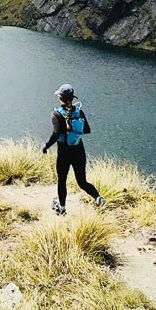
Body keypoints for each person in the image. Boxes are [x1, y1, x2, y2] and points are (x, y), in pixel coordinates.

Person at [42, 83, 105, 215]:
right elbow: (87, 130)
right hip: (78, 150)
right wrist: (75, 130)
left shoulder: (56, 113)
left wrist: (46, 146)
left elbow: (56, 134)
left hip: (64, 152)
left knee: (62, 180)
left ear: (60, 97)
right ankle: (98, 198)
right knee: (82, 181)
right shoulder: (79, 112)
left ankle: (62, 208)